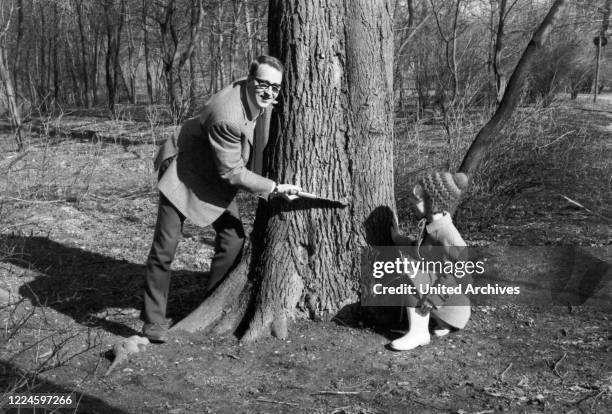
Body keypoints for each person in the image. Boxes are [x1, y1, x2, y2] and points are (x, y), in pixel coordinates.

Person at [142, 55, 302, 343]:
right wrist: (275, 188)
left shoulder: (255, 97)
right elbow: (232, 171)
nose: (269, 92)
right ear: (249, 80)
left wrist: (264, 103)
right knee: (165, 247)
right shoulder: (226, 116)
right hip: (182, 169)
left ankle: (210, 305)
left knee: (233, 239)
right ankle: (153, 320)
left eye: (275, 87)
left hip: (213, 173)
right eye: (263, 84)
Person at [389, 172, 471, 351]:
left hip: (453, 307)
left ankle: (419, 333)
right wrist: (398, 239)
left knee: (409, 271)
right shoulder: (432, 228)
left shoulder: (447, 233)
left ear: (433, 202)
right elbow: (419, 250)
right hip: (445, 304)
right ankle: (434, 324)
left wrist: (435, 298)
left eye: (416, 199)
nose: (411, 203)